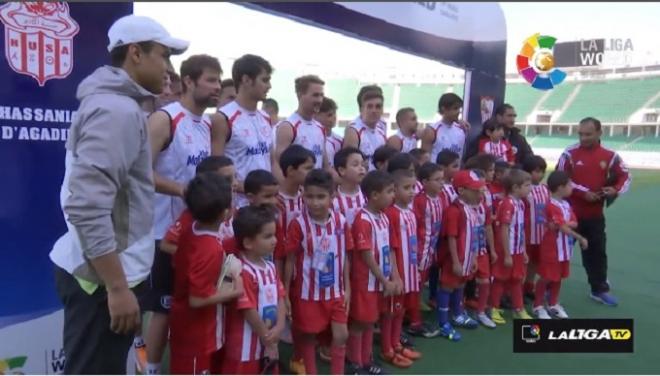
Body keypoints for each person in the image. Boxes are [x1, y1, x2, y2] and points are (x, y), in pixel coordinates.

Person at [49, 15, 188, 374]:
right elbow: (86, 204)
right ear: (136, 54)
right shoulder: (116, 110)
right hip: (100, 282)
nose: (170, 69)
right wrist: (116, 287)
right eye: (164, 55)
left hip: (104, 275)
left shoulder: (119, 105)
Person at [145, 54, 222, 375]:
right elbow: (140, 174)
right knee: (163, 309)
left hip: (200, 233)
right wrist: (182, 190)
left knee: (197, 304)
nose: (217, 87)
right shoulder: (164, 119)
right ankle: (150, 368)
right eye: (211, 80)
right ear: (188, 82)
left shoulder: (208, 124)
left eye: (220, 81)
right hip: (164, 233)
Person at [169, 173, 243, 374]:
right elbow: (197, 299)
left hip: (188, 325)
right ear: (225, 213)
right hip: (196, 333)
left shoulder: (192, 228)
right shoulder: (209, 248)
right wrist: (235, 290)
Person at [555, 117, 631, 306]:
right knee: (558, 253)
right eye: (580, 134)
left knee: (597, 254)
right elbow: (559, 177)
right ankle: (547, 292)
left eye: (588, 134)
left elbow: (625, 176)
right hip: (568, 215)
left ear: (599, 133)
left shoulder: (610, 155)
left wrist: (615, 190)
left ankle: (598, 290)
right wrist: (582, 193)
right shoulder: (569, 153)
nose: (583, 138)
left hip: (595, 216)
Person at [286, 169, 353, 375]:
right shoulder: (298, 224)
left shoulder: (341, 221)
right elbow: (289, 260)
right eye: (310, 196)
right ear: (303, 195)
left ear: (333, 196)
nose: (315, 202)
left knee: (341, 335)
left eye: (321, 197)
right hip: (307, 293)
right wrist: (285, 293)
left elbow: (345, 256)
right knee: (308, 335)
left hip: (335, 292)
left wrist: (347, 288)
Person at [221, 206, 286, 374]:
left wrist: (279, 326)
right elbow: (248, 309)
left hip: (268, 340)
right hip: (244, 347)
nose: (275, 240)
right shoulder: (240, 271)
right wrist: (267, 338)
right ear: (248, 242)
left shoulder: (270, 267)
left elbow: (280, 297)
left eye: (274, 234)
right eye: (268, 236)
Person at [348, 171, 397, 375]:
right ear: (374, 195)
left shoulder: (384, 217)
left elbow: (390, 248)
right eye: (389, 191)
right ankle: (355, 364)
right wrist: (383, 279)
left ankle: (367, 360)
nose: (393, 195)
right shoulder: (363, 220)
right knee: (360, 322)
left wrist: (394, 276)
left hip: (379, 281)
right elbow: (366, 254)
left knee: (370, 320)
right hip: (365, 281)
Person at [214, 54, 274, 208]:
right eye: (265, 80)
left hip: (266, 205)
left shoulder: (266, 117)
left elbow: (272, 162)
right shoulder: (224, 118)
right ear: (246, 80)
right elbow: (216, 170)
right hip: (239, 207)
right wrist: (251, 190)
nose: (269, 86)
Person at [533, 171, 589, 319]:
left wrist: (562, 224)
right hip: (551, 247)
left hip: (564, 248)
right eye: (569, 185)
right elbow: (564, 227)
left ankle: (553, 304)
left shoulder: (565, 204)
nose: (572, 187)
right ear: (560, 187)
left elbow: (573, 223)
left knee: (558, 277)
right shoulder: (551, 205)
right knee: (546, 276)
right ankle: (538, 305)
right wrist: (580, 238)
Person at [382, 170, 423, 367]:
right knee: (391, 311)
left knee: (400, 310)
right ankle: (387, 348)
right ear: (394, 190)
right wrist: (394, 273)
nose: (412, 192)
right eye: (407, 188)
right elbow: (390, 247)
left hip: (410, 271)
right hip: (397, 273)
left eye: (413, 187)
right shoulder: (391, 214)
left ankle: (396, 343)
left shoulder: (410, 211)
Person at [437, 170, 483, 342]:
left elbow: (475, 235)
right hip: (454, 259)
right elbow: (451, 237)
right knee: (448, 286)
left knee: (461, 284)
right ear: (462, 190)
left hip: (467, 257)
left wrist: (474, 258)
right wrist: (456, 261)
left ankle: (457, 314)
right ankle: (443, 323)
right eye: (475, 190)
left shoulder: (471, 209)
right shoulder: (454, 211)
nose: (479, 193)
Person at [490, 169, 533, 324]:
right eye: (527, 185)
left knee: (516, 279)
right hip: (507, 251)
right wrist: (507, 254)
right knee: (500, 279)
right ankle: (494, 308)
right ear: (515, 187)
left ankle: (518, 309)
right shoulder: (507, 204)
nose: (530, 188)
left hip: (518, 251)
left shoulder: (520, 204)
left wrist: (524, 251)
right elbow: (504, 229)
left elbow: (520, 230)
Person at [273, 75, 328, 182]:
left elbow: (325, 165)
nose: (320, 100)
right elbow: (279, 166)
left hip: (315, 192)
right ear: (300, 95)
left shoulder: (320, 128)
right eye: (315, 95)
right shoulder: (288, 127)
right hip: (296, 194)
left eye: (321, 95)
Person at [410, 162, 444, 338]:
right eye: (437, 180)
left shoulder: (441, 198)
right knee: (416, 286)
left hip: (431, 249)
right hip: (419, 251)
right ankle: (414, 321)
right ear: (424, 182)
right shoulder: (420, 201)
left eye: (442, 179)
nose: (441, 183)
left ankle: (414, 316)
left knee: (420, 284)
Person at [521, 155, 550, 302]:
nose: (539, 174)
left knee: (535, 262)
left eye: (542, 171)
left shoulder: (545, 189)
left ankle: (528, 286)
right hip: (527, 233)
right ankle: (517, 289)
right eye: (536, 171)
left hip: (541, 233)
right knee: (523, 262)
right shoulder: (523, 189)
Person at [343, 87, 387, 171]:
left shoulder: (382, 128)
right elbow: (349, 165)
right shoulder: (353, 130)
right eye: (370, 106)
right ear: (361, 109)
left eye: (378, 107)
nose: (374, 110)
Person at [421, 93, 470, 164]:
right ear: (443, 109)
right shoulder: (432, 130)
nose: (458, 112)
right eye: (455, 108)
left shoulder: (462, 128)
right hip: (437, 172)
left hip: (455, 173)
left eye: (459, 108)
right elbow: (424, 159)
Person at [333, 147, 368, 225]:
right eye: (355, 165)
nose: (361, 168)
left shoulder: (367, 195)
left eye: (362, 164)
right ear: (342, 170)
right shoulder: (334, 199)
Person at [316, 97, 343, 169]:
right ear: (316, 115)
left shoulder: (340, 141)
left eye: (335, 114)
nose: (334, 117)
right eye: (329, 115)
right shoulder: (312, 138)